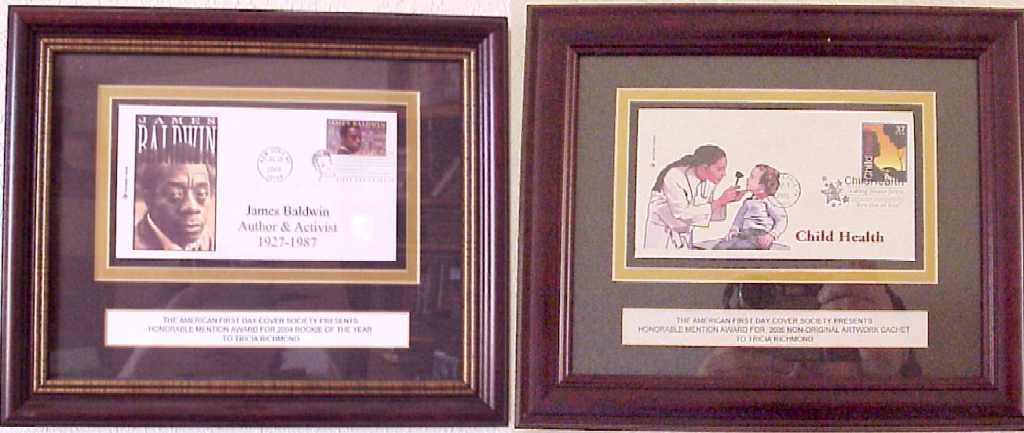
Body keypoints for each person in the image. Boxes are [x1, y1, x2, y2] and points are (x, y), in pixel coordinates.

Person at [644, 144, 742, 249]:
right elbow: (682, 215)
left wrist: (726, 201)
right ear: (704, 167)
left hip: (684, 239)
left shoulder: (708, 182)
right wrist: (720, 201)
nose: (724, 174)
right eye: (720, 169)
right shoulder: (674, 176)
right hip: (663, 238)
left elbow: (705, 214)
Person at [134, 152, 215, 251]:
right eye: (174, 194)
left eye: (201, 194)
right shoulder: (131, 247)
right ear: (149, 198)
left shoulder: (211, 243)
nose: (192, 207)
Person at [714, 164, 786, 250]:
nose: (748, 179)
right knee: (721, 246)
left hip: (759, 237)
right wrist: (734, 229)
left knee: (739, 247)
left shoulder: (770, 201)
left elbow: (781, 219)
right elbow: (739, 218)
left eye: (752, 177)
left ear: (762, 186)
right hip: (743, 234)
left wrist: (772, 235)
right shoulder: (748, 201)